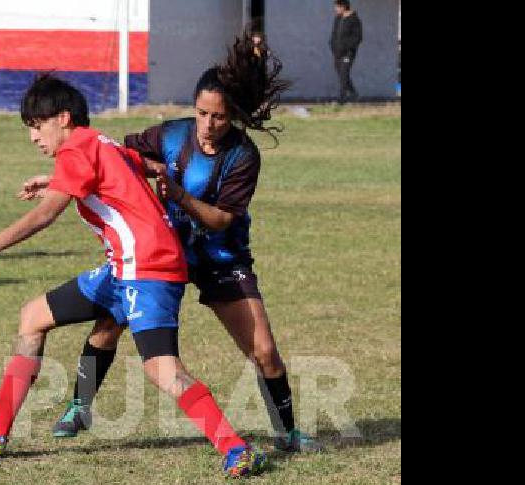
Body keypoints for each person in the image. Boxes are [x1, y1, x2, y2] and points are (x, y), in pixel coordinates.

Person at [0, 74, 266, 478]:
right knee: (33, 317)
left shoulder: (76, 151)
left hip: (146, 268)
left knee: (162, 368)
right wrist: (55, 179)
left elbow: (47, 214)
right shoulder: (100, 142)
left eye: (36, 126)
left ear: (63, 118)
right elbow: (146, 167)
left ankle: (235, 448)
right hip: (126, 267)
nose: (33, 138)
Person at [43, 32, 321, 453]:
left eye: (219, 117)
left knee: (264, 350)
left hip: (220, 258)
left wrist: (178, 194)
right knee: (108, 324)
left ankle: (288, 434)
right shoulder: (172, 134)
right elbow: (112, 162)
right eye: (201, 113)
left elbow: (222, 219)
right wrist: (57, 180)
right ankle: (79, 407)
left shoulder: (243, 156)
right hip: (160, 253)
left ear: (235, 118)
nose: (208, 125)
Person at [330, 0, 363, 103]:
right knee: (342, 75)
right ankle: (354, 94)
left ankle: (342, 99)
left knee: (344, 74)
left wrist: (347, 47)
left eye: (337, 7)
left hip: (348, 53)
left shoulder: (354, 19)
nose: (335, 9)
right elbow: (334, 34)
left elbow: (358, 37)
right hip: (337, 53)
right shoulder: (338, 19)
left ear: (343, 6)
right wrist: (332, 45)